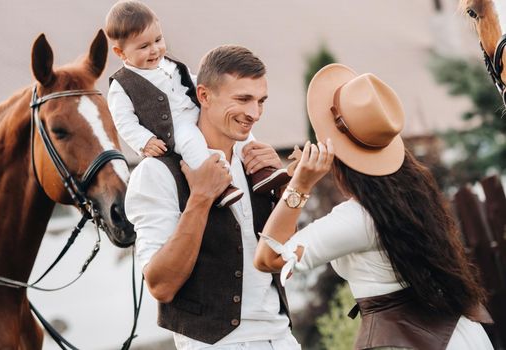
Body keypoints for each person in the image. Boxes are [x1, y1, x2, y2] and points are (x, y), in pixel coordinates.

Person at [254, 63, 494, 349]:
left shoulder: (358, 219)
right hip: (463, 336)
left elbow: (268, 258)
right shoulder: (412, 195)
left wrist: (300, 187)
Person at [124, 45, 300, 350]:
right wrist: (201, 198)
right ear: (203, 96)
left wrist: (288, 191)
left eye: (261, 101)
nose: (254, 114)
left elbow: (283, 257)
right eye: (243, 99)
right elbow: (160, 286)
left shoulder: (258, 164)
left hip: (282, 338)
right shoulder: (156, 173)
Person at [105, 0, 289, 207]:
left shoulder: (168, 63)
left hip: (196, 109)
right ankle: (219, 185)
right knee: (193, 144)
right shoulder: (122, 85)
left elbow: (192, 80)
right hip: (175, 126)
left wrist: (211, 90)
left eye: (158, 40)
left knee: (240, 133)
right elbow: (123, 120)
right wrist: (144, 141)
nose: (155, 50)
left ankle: (261, 171)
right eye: (144, 46)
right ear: (120, 53)